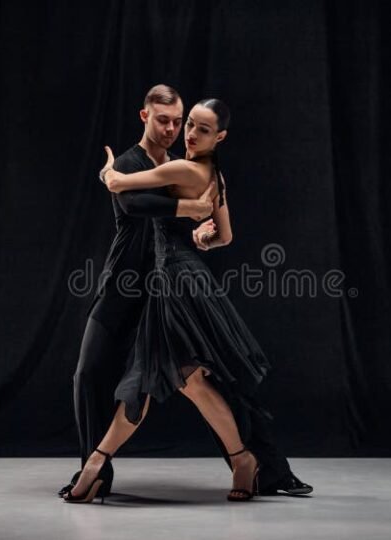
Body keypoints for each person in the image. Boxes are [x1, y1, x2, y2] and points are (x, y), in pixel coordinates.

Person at [63, 96, 312, 503]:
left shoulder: (180, 166)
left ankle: (95, 465)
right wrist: (199, 230)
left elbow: (120, 188)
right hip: (168, 281)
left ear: (220, 136)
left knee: (152, 377)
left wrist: (109, 173)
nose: (184, 132)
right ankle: (241, 459)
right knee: (191, 380)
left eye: (193, 126)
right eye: (184, 123)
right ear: (145, 116)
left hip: (173, 285)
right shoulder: (209, 172)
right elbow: (222, 235)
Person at [59, 85, 214, 499]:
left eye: (177, 121)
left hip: (165, 293)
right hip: (122, 284)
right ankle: (93, 472)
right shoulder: (127, 163)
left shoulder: (181, 167)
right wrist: (187, 210)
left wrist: (199, 230)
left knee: (205, 379)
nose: (171, 128)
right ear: (144, 117)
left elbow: (185, 227)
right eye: (163, 119)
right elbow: (133, 206)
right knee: (88, 374)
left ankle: (259, 466)